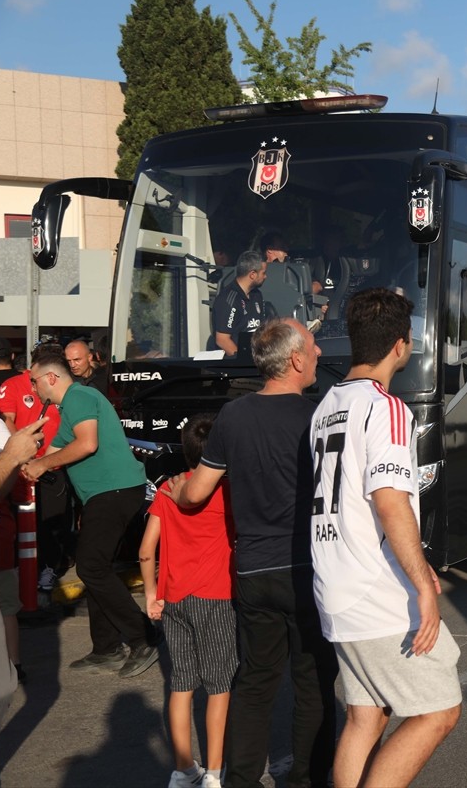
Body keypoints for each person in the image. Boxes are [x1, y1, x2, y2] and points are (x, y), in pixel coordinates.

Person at [172, 318, 337, 788]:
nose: (319, 353)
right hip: (307, 568)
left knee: (255, 683)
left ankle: (240, 780)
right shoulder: (317, 416)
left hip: (254, 570)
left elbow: (197, 493)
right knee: (312, 683)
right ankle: (306, 779)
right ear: (295, 359)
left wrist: (177, 493)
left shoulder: (234, 415)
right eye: (312, 345)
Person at [310, 288, 461, 787]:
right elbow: (390, 499)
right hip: (376, 592)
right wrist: (423, 584)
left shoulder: (325, 405)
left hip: (334, 586)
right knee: (439, 711)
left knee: (365, 715)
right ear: (403, 344)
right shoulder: (387, 408)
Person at [19, 352, 159, 679]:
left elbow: (87, 445)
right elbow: (54, 453)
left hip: (115, 491)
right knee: (97, 566)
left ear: (52, 378)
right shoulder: (71, 408)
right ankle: (107, 648)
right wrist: (25, 461)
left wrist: (40, 465)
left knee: (91, 566)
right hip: (108, 494)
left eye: (35, 381)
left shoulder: (79, 396)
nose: (34, 389)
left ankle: (144, 637)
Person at [140, 414, 234, 788]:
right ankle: (214, 770)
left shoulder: (168, 489)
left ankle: (182, 770)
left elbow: (147, 550)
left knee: (181, 684)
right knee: (219, 686)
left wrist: (152, 594)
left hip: (175, 598)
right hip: (216, 597)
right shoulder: (227, 491)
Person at [0, 342, 74, 592]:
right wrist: (21, 450)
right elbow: (7, 419)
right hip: (23, 465)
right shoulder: (12, 385)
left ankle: (49, 567)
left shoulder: (66, 385)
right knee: (22, 520)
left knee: (53, 521)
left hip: (54, 464)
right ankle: (25, 566)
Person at [0, 414, 25, 684]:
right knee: (7, 609)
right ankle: (14, 663)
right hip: (0, 548)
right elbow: (22, 498)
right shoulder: (1, 463)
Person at [211, 250, 267, 356]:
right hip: (237, 365)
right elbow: (222, 340)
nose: (265, 277)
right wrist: (244, 361)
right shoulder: (228, 299)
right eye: (263, 273)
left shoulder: (257, 295)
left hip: (258, 359)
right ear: (252, 275)